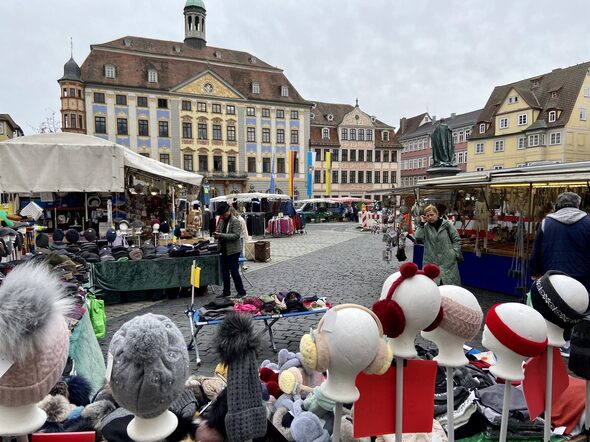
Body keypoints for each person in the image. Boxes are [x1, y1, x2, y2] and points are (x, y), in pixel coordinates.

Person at [530, 192, 590, 292]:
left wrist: (535, 272)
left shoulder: (546, 223)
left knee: (554, 301)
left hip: (553, 277)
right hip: (583, 279)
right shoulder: (588, 223)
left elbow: (536, 252)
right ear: (578, 205)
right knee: (581, 301)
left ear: (558, 205)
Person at [414, 204, 462, 285]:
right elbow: (418, 237)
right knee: (432, 286)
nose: (430, 217)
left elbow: (456, 239)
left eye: (432, 215)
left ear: (437, 214)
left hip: (448, 261)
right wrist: (421, 224)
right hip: (431, 260)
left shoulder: (447, 225)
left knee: (449, 286)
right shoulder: (425, 227)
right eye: (427, 215)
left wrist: (454, 253)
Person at [214, 202, 246, 298]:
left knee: (234, 272)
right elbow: (219, 230)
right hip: (223, 250)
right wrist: (216, 233)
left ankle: (241, 292)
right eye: (221, 215)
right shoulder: (222, 221)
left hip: (233, 251)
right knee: (224, 272)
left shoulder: (235, 221)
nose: (222, 216)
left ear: (228, 212)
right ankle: (226, 291)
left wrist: (221, 235)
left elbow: (236, 236)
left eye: (223, 214)